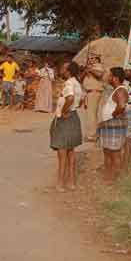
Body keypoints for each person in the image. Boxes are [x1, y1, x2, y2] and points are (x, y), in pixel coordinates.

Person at [50, 61, 83, 192]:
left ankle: (60, 182)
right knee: (70, 152)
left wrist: (63, 111)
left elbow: (70, 98)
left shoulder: (69, 83)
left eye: (63, 68)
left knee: (62, 152)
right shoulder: (77, 83)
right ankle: (71, 182)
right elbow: (80, 101)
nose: (61, 69)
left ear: (68, 71)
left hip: (66, 118)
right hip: (74, 116)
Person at [97, 68, 129, 183]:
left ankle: (113, 178)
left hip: (113, 124)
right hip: (110, 124)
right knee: (108, 152)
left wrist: (112, 116)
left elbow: (121, 106)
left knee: (114, 153)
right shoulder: (116, 90)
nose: (108, 77)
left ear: (115, 78)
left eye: (109, 75)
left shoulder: (120, 91)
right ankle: (109, 175)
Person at [81, 65, 104, 141]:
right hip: (89, 93)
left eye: (93, 58)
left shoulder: (98, 67)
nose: (91, 59)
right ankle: (93, 133)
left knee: (91, 114)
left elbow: (99, 75)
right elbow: (80, 79)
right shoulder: (89, 68)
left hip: (94, 92)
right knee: (90, 114)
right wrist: (85, 71)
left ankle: (92, 135)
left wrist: (91, 70)